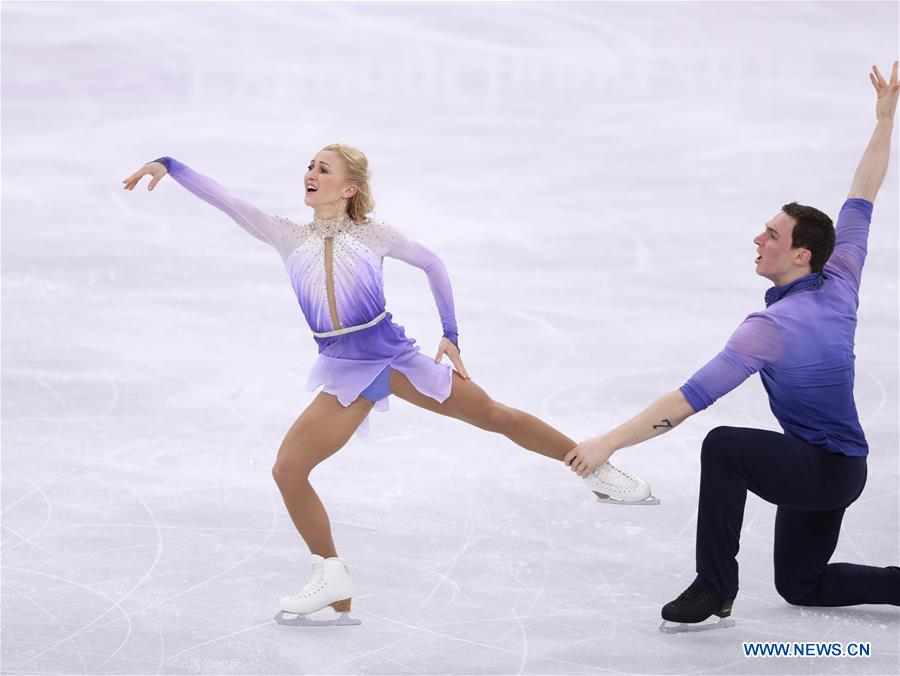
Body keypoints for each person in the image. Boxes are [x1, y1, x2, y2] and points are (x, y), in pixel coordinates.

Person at [122, 144, 656, 626]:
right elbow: (228, 201)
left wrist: (450, 334)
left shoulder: (372, 235)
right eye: (309, 166)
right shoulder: (288, 236)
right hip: (346, 371)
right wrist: (171, 165)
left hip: (395, 357)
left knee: (493, 414)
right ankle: (331, 575)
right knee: (288, 469)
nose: (310, 174)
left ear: (348, 189)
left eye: (323, 169)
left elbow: (433, 264)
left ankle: (594, 467)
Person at [564, 62, 900, 628]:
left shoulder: (770, 327)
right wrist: (885, 119)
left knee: (724, 447)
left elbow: (687, 401)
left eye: (772, 235)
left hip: (825, 469)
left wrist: (608, 442)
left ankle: (714, 586)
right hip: (840, 467)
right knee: (802, 584)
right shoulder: (842, 272)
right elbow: (863, 192)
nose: (758, 238)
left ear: (801, 255)